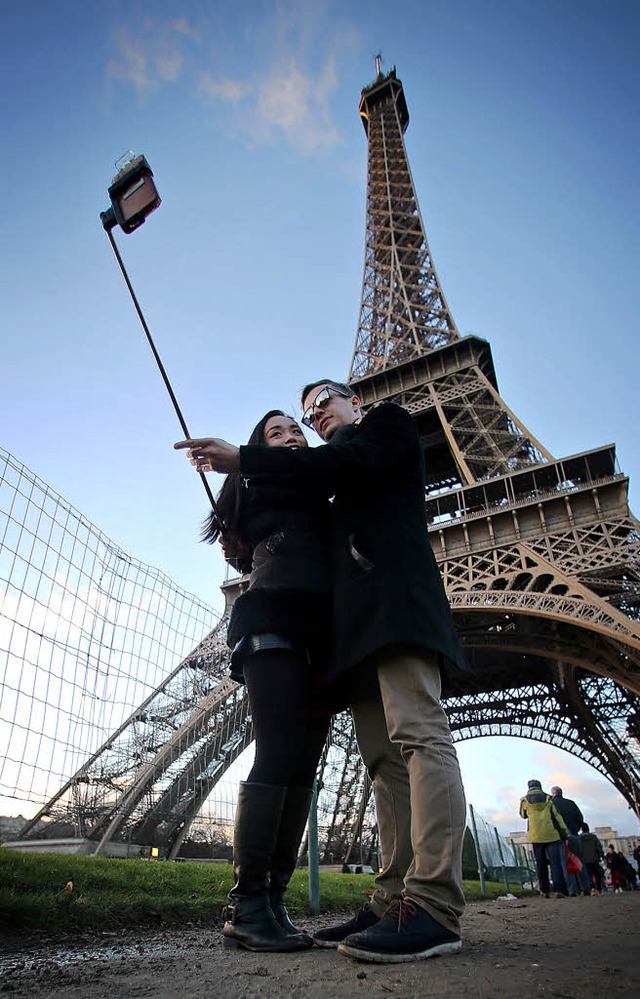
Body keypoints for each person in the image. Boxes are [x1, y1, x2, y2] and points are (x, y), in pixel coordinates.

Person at [176, 380, 470, 964]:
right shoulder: (299, 482)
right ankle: (279, 903)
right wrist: (244, 476)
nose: (312, 417)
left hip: (375, 617)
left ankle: (428, 903)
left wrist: (251, 457)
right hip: (318, 633)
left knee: (397, 744)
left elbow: (342, 466)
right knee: (372, 762)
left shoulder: (381, 429)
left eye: (321, 405)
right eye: (298, 417)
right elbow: (247, 525)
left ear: (356, 401)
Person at [182, 410, 333, 952]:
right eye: (276, 433)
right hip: (272, 618)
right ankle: (247, 904)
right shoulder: (264, 481)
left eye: (297, 430)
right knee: (277, 753)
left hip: (323, 632)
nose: (292, 436)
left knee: (304, 765)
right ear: (256, 450)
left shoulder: (323, 480)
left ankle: (272, 900)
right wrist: (244, 471)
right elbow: (245, 521)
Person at [519, 779, 569, 898]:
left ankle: (544, 890)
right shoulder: (548, 798)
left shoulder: (524, 800)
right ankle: (558, 890)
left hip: (536, 835)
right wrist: (564, 833)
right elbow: (557, 817)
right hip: (551, 834)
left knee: (540, 864)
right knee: (555, 863)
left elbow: (522, 815)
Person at [549, 786, 587, 895]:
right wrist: (575, 828)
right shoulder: (571, 803)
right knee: (579, 861)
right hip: (574, 835)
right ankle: (586, 887)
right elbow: (580, 818)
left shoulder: (551, 804)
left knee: (565, 863)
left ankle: (572, 889)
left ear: (553, 793)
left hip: (561, 837)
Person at [579, 822, 605, 894]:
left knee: (588, 875)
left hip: (585, 860)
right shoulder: (594, 837)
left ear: (582, 829)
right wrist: (601, 856)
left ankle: (592, 888)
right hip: (594, 858)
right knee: (597, 874)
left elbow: (579, 849)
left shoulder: (580, 838)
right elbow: (599, 847)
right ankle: (599, 888)